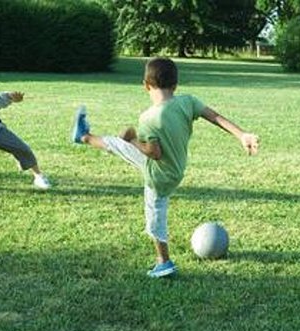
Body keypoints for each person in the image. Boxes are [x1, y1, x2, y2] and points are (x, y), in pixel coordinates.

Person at [70, 57, 259, 278]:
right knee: (118, 145)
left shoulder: (149, 119)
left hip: (159, 174)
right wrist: (241, 134)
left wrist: (132, 140)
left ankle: (164, 262)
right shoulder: (188, 102)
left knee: (155, 215)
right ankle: (83, 136)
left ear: (146, 85)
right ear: (175, 85)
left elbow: (153, 153)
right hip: (175, 166)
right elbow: (214, 117)